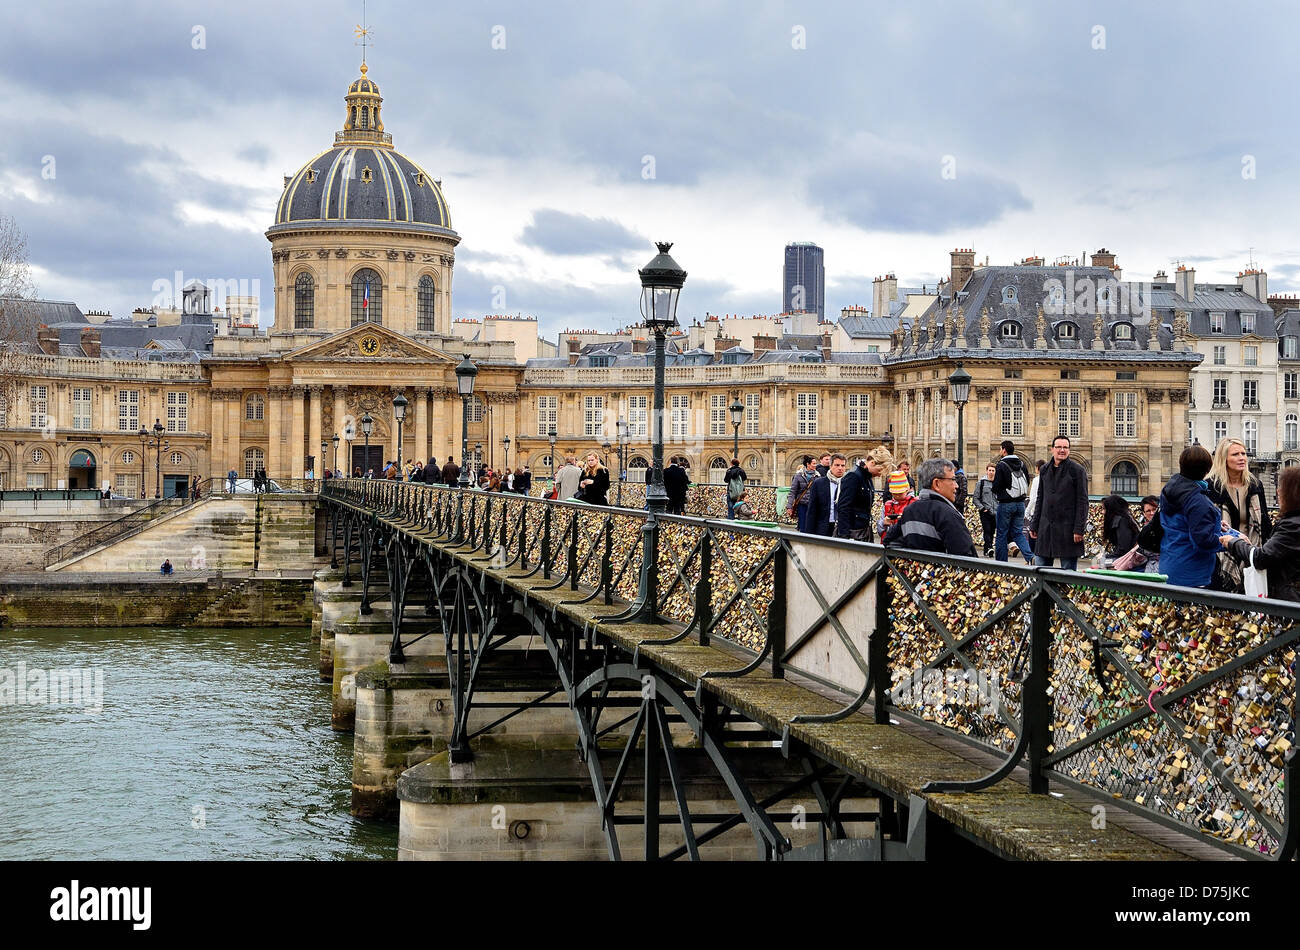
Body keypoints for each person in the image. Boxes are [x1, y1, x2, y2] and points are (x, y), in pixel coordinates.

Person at [1220, 465, 1300, 602]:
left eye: (1282, 489)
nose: (1278, 491)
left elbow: (1261, 558)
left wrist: (1234, 542)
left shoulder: (1292, 526)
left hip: (1290, 601)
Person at [1206, 437, 1272, 592]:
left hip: (1251, 552)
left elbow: (1265, 522)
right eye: (1235, 454)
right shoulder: (1211, 486)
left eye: (1243, 453)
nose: (1242, 458)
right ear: (1224, 459)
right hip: (1221, 555)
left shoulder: (1255, 485)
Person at [884, 457, 976, 557]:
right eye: (953, 479)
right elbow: (968, 559)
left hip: (916, 572)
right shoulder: (948, 515)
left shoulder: (909, 510)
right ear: (936, 483)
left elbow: (889, 542)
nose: (956, 486)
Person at [1160, 444, 1222, 589]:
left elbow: (1182, 524)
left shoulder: (1170, 489)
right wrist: (1228, 541)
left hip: (1168, 565)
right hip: (1192, 573)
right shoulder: (1197, 501)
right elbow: (1202, 541)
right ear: (1207, 470)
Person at [1028, 435, 1088, 570]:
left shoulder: (1077, 471)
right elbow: (1040, 499)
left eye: (1065, 447)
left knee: (1067, 575)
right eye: (1059, 447)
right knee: (1041, 572)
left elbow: (1082, 502)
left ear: (1069, 450)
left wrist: (1079, 529)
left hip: (1068, 529)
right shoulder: (1044, 470)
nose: (1062, 450)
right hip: (1045, 528)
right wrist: (1034, 524)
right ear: (1052, 449)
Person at [835, 446, 894, 540]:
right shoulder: (854, 476)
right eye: (879, 470)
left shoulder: (866, 477)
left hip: (863, 530)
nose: (879, 475)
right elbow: (843, 507)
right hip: (853, 532)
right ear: (872, 463)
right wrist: (844, 537)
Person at [991, 440, 1033, 564]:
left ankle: (1001, 564)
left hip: (1006, 504)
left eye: (1000, 449)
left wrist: (996, 489)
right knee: (1018, 532)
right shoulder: (1022, 464)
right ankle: (1030, 557)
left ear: (1004, 450)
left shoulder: (1001, 465)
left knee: (1001, 534)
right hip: (1020, 504)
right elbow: (1027, 481)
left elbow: (997, 486)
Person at [805, 453, 847, 537]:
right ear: (830, 466)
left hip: (842, 529)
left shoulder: (848, 483)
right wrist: (808, 535)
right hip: (823, 528)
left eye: (843, 465)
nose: (840, 468)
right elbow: (812, 510)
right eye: (837, 465)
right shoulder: (819, 483)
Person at [1100, 494, 1140, 567]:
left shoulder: (1121, 521)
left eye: (1104, 509)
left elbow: (1123, 549)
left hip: (1129, 559)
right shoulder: (1125, 519)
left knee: (1100, 563)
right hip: (1130, 557)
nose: (1103, 512)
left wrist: (1106, 557)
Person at [880, 471, 917, 540]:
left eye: (900, 493)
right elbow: (879, 529)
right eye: (894, 493)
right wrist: (884, 523)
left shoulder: (914, 504)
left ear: (907, 490)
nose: (897, 496)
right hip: (889, 543)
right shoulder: (888, 504)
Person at [786, 455, 818, 531]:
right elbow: (793, 491)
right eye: (813, 463)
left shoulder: (818, 476)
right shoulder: (798, 476)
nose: (815, 465)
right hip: (802, 505)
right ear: (808, 464)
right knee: (803, 526)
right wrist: (789, 506)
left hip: (814, 505)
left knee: (812, 527)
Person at [974, 462, 998, 557]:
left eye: (993, 470)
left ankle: (986, 549)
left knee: (992, 531)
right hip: (985, 511)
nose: (991, 472)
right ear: (986, 471)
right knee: (987, 530)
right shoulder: (982, 482)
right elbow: (975, 498)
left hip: (995, 511)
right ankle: (989, 548)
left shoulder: (997, 483)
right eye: (990, 470)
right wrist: (982, 508)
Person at [1024, 459, 1047, 525]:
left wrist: (1027, 512)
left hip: (1036, 513)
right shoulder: (1049, 479)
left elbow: (1033, 499)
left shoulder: (1036, 480)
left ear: (1037, 468)